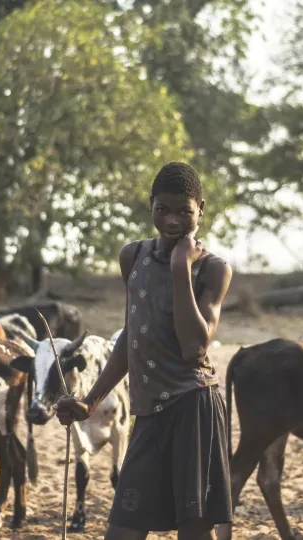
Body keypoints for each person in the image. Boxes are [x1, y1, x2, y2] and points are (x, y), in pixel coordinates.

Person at [55, 161, 234, 540]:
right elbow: (131, 338)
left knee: (194, 533)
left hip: (193, 410)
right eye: (162, 209)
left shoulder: (213, 269)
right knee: (122, 530)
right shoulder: (132, 257)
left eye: (184, 211)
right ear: (151, 205)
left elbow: (193, 347)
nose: (172, 220)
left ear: (201, 209)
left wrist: (180, 269)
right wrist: (90, 401)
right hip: (148, 413)